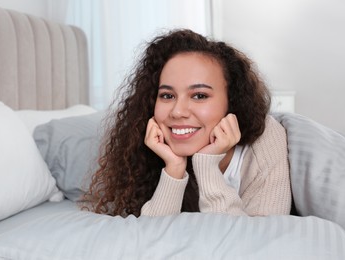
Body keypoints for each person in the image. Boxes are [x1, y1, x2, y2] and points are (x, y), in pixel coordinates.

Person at [84, 29, 292, 217]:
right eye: (167, 96)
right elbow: (149, 239)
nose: (177, 111)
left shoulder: (267, 138)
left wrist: (207, 165)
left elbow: (250, 243)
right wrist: (173, 168)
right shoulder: (150, 150)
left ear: (232, 102)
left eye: (200, 96)